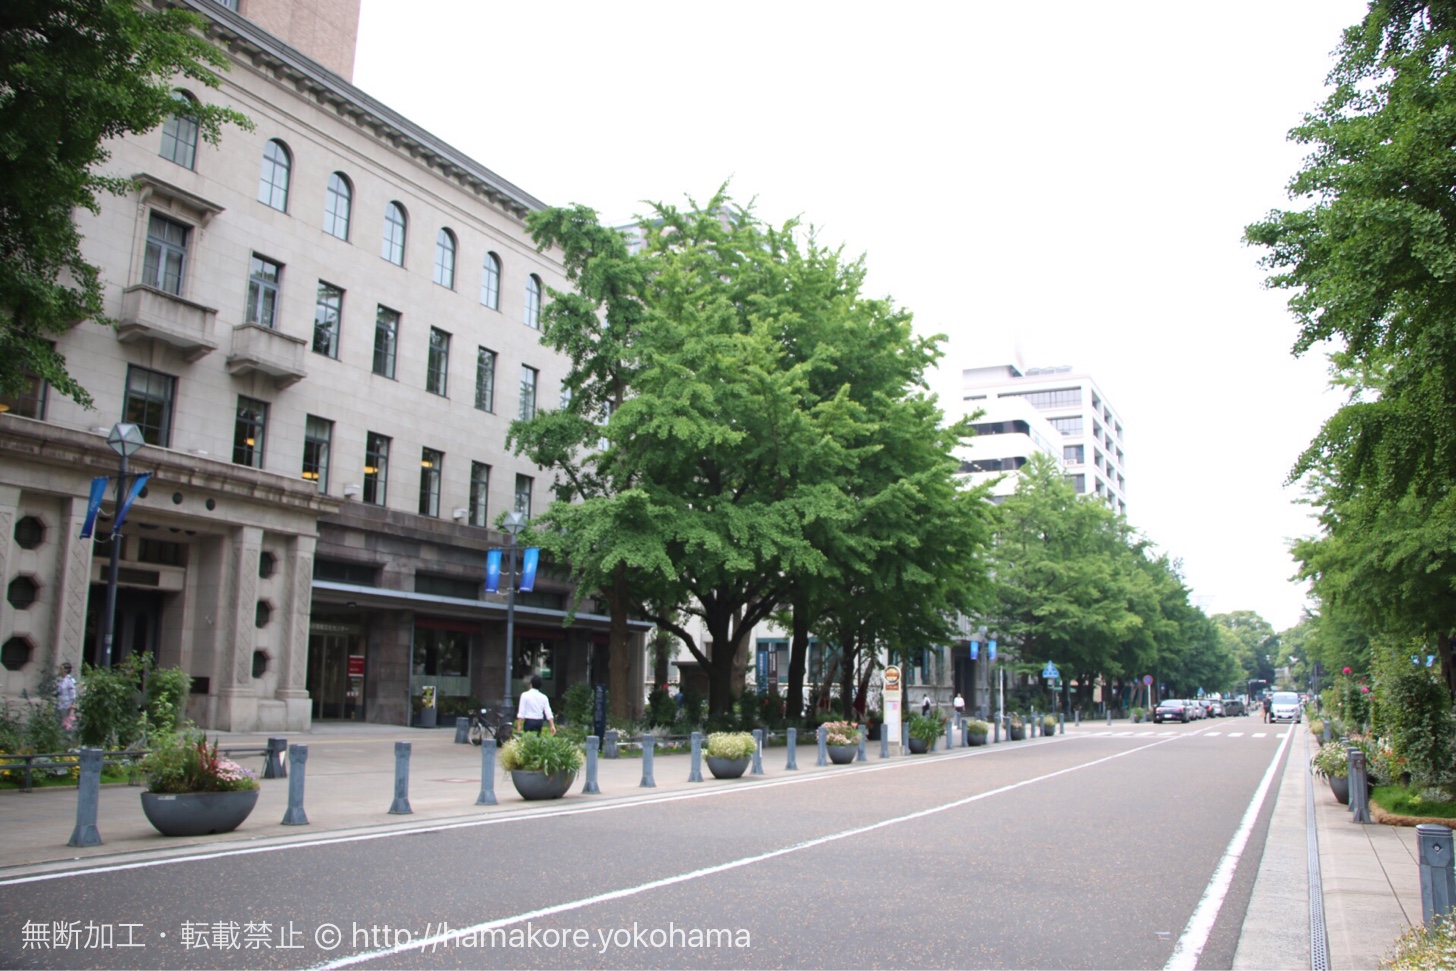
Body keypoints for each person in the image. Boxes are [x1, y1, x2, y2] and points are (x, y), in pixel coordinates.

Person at [56, 662, 77, 731]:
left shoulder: (69, 680)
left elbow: (72, 692)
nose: (60, 671)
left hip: (66, 704)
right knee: (60, 719)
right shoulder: (61, 680)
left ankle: (66, 734)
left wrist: (72, 703)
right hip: (60, 702)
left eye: (62, 669)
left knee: (65, 720)